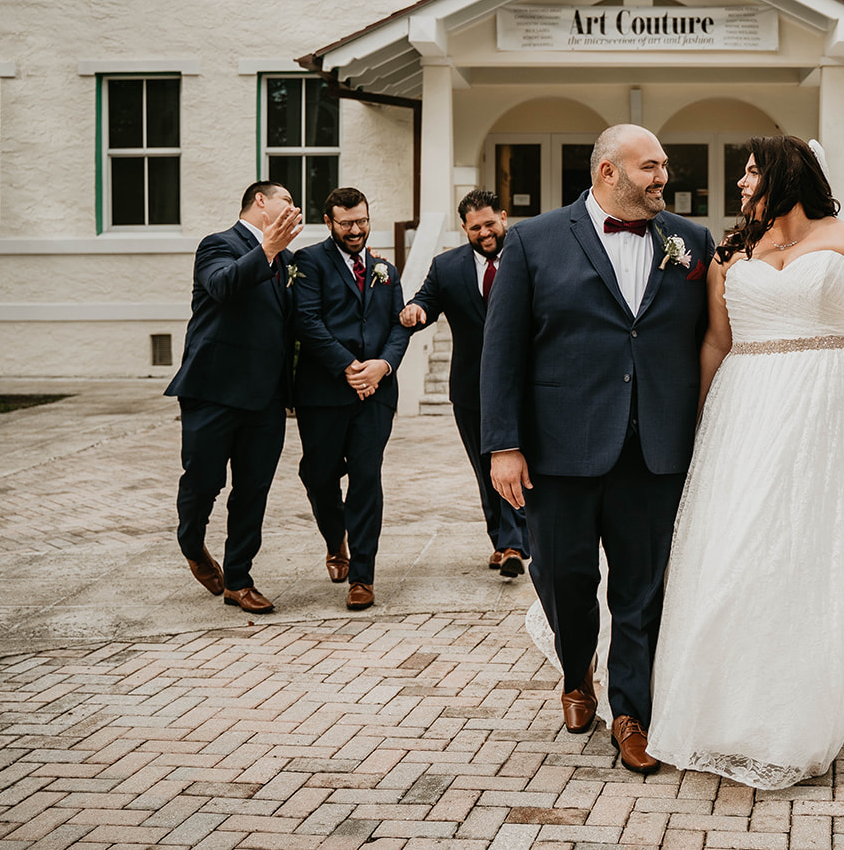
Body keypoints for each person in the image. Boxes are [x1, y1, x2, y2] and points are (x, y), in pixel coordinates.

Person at [647, 135, 844, 790]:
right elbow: (717, 340)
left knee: (805, 549)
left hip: (830, 401)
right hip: (745, 406)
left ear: (783, 172)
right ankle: (718, 703)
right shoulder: (732, 251)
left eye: (749, 172)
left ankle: (791, 713)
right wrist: (692, 426)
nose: (741, 184)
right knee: (737, 547)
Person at [481, 124, 715, 775]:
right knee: (564, 578)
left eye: (664, 164)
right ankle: (576, 667)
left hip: (655, 450)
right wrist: (503, 444)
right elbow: (502, 350)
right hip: (559, 452)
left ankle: (630, 713)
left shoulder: (690, 243)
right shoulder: (533, 240)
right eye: (650, 166)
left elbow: (708, 338)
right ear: (608, 171)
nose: (662, 176)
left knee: (642, 592)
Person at [166, 180, 302, 615]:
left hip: (266, 397)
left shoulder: (288, 261)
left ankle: (239, 580)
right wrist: (265, 250)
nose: (293, 210)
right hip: (213, 391)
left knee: (252, 491)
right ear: (260, 201)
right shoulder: (217, 245)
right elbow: (223, 286)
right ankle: (191, 540)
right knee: (204, 481)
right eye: (287, 201)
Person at [291, 186, 411, 611]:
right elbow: (306, 320)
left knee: (366, 478)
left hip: (375, 393)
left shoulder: (385, 269)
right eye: (347, 224)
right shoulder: (308, 262)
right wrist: (347, 366)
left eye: (361, 221)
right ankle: (334, 540)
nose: (356, 230)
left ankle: (362, 575)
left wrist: (382, 366)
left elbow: (400, 326)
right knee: (318, 475)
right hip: (323, 392)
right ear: (330, 223)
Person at [400, 190, 529, 577]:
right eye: (476, 228)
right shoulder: (446, 266)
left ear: (503, 217)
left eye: (490, 223)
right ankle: (505, 541)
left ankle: (517, 540)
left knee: (525, 463)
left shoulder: (528, 257)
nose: (485, 233)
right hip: (471, 388)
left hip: (526, 384)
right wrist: (416, 310)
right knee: (486, 467)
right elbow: (425, 300)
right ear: (464, 229)